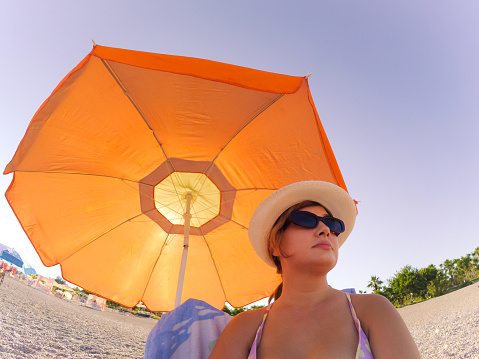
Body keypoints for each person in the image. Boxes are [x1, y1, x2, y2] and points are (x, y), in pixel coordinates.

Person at [209, 181, 421, 358]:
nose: (325, 229)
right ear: (274, 244)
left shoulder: (372, 310)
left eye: (333, 224)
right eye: (306, 220)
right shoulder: (244, 327)